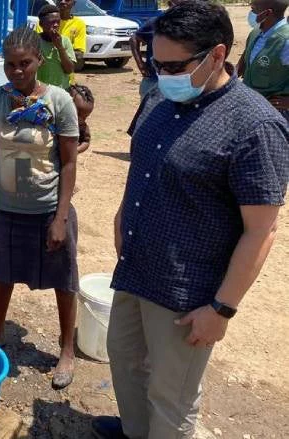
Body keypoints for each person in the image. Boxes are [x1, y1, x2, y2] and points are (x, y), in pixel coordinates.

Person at [93, 2, 289, 438]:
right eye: (157, 64)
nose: (163, 74)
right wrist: (122, 217)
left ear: (216, 56)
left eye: (174, 65)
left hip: (186, 295)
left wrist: (221, 309)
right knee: (124, 360)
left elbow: (262, 230)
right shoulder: (159, 96)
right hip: (136, 268)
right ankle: (134, 431)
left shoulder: (255, 126)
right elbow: (141, 163)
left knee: (172, 396)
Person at [0, 24, 80, 389]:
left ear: (39, 59)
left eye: (24, 63)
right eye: (9, 64)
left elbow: (67, 162)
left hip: (48, 207)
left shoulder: (58, 101)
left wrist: (61, 217)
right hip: (6, 206)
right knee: (2, 275)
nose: (17, 71)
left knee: (62, 281)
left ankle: (67, 349)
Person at [237, 0, 289, 121]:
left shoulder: (286, 42)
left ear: (267, 13)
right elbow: (242, 65)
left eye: (254, 10)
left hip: (275, 114)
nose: (250, 13)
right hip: (249, 106)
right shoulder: (255, 33)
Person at [130, 0, 187, 98]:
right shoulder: (156, 23)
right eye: (180, 6)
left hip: (178, 81)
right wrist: (140, 64)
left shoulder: (188, 26)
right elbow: (134, 39)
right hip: (153, 80)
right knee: (147, 110)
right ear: (170, 5)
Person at [37, 0, 87, 81]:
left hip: (63, 83)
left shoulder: (67, 38)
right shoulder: (35, 38)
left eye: (67, 0)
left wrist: (60, 47)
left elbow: (78, 56)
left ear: (74, 3)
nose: (63, 2)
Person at [36, 5, 77, 90]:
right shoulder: (34, 41)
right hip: (41, 92)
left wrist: (60, 47)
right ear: (41, 24)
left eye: (58, 22)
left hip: (61, 91)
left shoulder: (65, 41)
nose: (56, 25)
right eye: (52, 22)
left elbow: (69, 70)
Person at [69, 84, 94, 154]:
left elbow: (86, 141)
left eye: (85, 117)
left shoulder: (81, 126)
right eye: (78, 115)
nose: (81, 120)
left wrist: (77, 150)